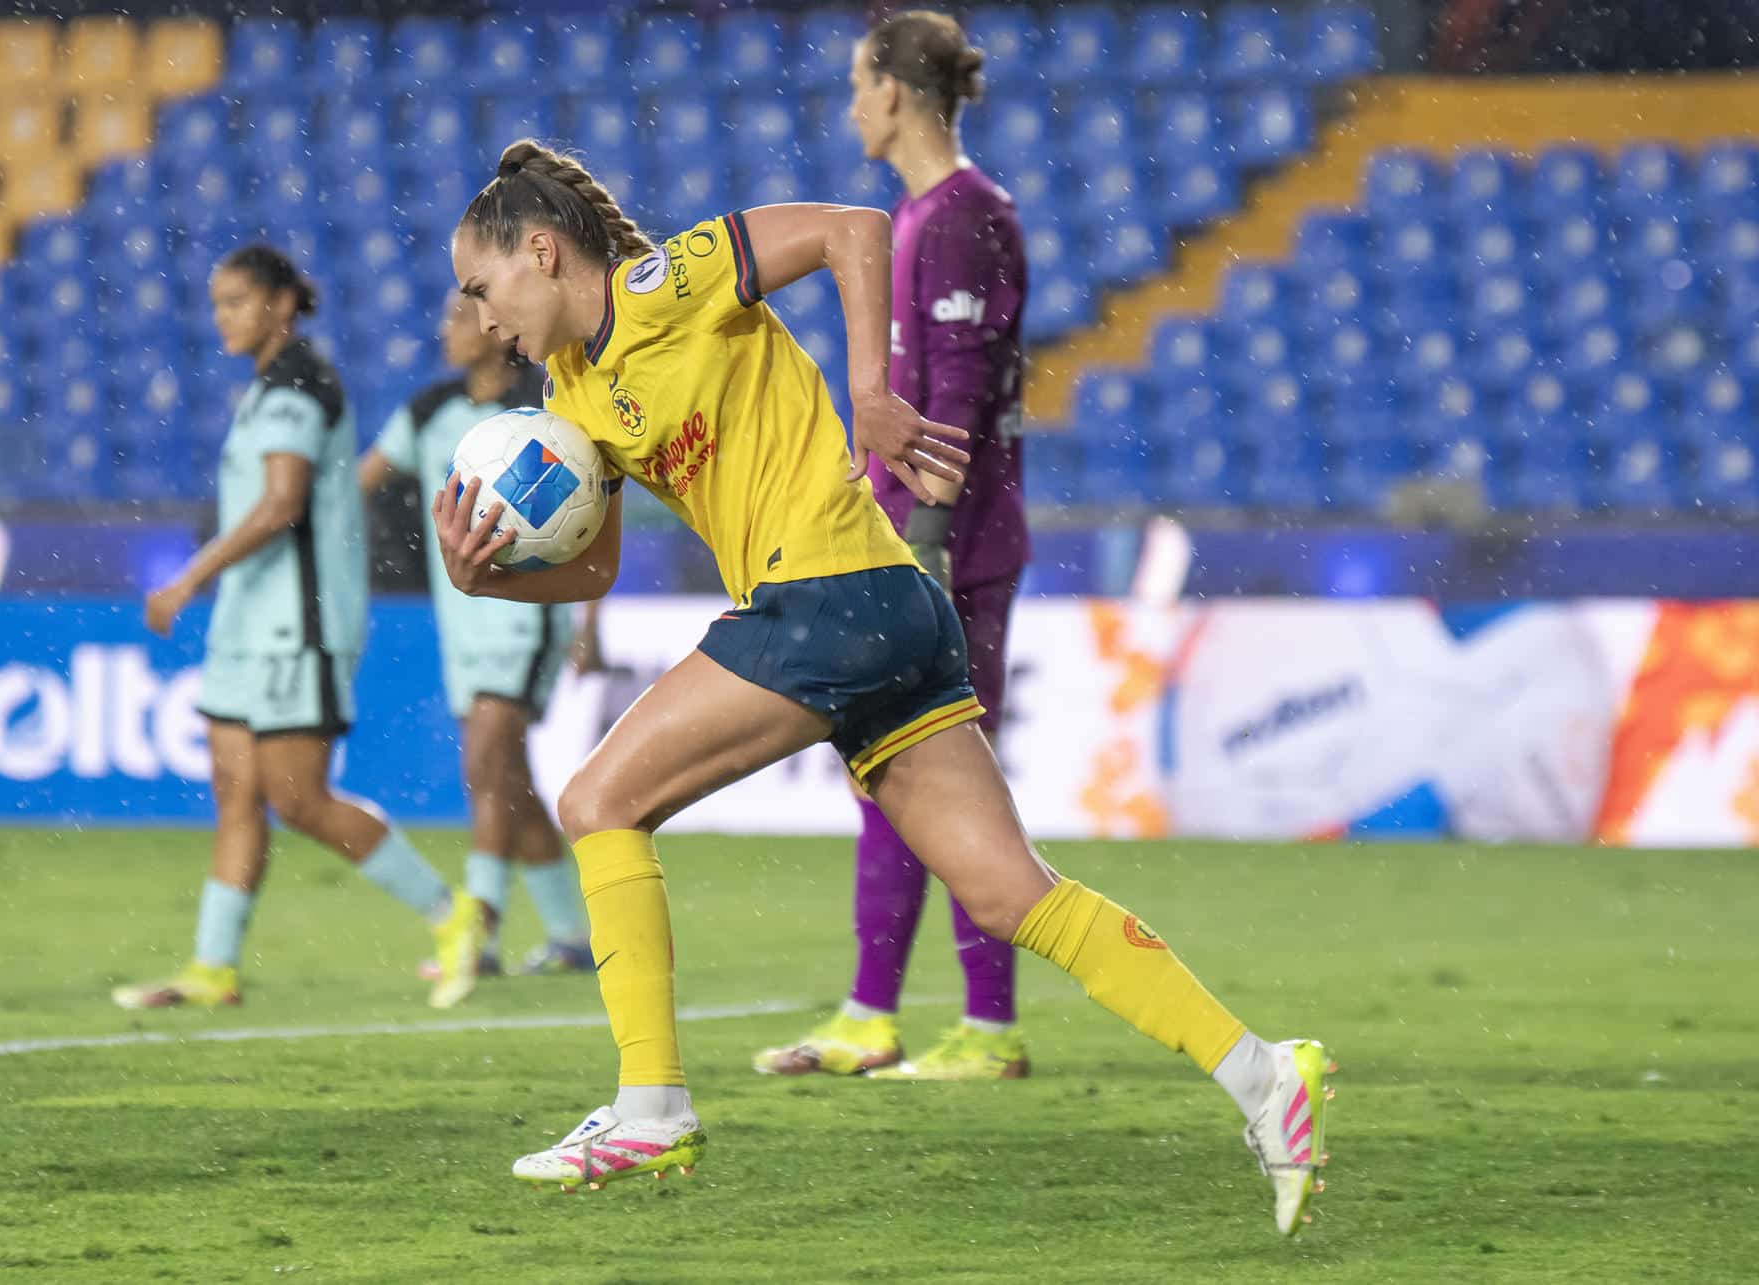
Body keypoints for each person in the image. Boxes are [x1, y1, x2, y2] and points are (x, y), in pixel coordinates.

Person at [434, 140, 1333, 1235]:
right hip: (890, 611)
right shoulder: (574, 393)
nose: (482, 320)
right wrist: (486, 579)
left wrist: (872, 393)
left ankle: (650, 1104)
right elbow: (597, 566)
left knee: (596, 802)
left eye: (483, 288)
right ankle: (1264, 1077)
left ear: (540, 249)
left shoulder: (665, 281)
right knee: (1011, 895)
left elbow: (855, 228)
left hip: (825, 594)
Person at [754, 10, 1034, 1084]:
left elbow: (954, 397)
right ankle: (874, 1014)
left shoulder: (960, 217)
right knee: (889, 773)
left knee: (948, 783)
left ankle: (990, 1027)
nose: (850, 105)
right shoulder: (931, 215)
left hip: (948, 553)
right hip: (921, 542)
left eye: (858, 85)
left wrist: (921, 552)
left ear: (896, 95)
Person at [114, 244, 483, 1013]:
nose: (224, 317)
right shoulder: (266, 389)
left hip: (297, 627)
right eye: (218, 303)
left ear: (282, 305)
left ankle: (454, 916)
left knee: (299, 798)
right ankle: (212, 967)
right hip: (249, 623)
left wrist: (189, 576)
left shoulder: (300, 386)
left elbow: (283, 502)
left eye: (239, 301)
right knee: (235, 790)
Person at [359, 289, 594, 978]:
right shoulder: (430, 412)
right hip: (462, 615)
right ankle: (571, 936)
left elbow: (591, 510)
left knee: (485, 766)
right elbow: (359, 483)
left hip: (526, 613)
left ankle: (478, 934)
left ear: (499, 329)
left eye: (460, 316)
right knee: (510, 781)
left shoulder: (544, 410)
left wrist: (590, 617)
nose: (446, 328)